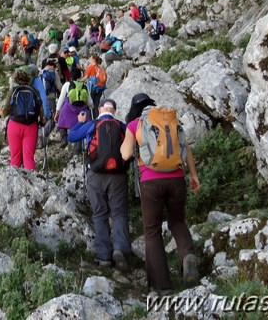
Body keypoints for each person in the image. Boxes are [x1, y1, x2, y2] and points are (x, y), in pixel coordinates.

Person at [120, 93, 201, 294]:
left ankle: (162, 285)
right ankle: (188, 255)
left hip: (150, 182)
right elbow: (186, 148)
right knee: (177, 221)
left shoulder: (135, 124)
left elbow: (126, 154)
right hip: (177, 179)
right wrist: (193, 175)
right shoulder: (170, 121)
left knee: (152, 231)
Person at [67, 98, 131, 269]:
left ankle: (103, 256)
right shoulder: (122, 126)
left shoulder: (93, 124)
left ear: (100, 110)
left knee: (99, 213)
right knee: (119, 213)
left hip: (96, 174)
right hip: (118, 176)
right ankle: (121, 250)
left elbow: (71, 137)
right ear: (115, 111)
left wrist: (80, 123)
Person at [0, 69, 44, 169]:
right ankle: (31, 181)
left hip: (14, 126)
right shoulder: (35, 91)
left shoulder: (13, 91)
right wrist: (42, 120)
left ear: (16, 79)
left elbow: (6, 111)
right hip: (31, 126)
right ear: (28, 79)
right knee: (29, 158)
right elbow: (40, 108)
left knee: (15, 158)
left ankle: (15, 182)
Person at [54, 71, 92, 148]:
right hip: (82, 110)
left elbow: (61, 99)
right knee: (80, 127)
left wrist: (57, 111)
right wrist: (91, 107)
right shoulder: (84, 86)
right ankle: (78, 149)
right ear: (80, 76)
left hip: (68, 109)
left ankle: (64, 138)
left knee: (62, 122)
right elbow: (90, 102)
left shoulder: (67, 84)